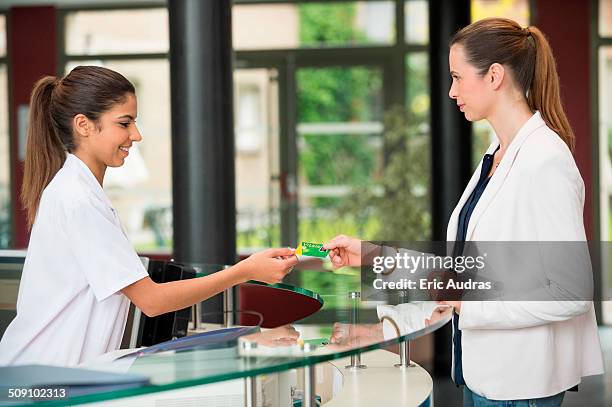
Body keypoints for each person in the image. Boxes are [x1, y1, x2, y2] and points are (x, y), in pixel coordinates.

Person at [323, 18, 603, 406]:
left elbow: (570, 292)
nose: (452, 91)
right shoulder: (496, 157)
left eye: (457, 76)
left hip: (517, 389)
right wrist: (371, 256)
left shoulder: (544, 161)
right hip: (480, 379)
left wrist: (472, 305)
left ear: (494, 76)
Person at [0, 66, 297, 367]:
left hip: (50, 375)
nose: (136, 135)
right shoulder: (77, 198)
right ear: (84, 125)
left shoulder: (79, 191)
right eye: (124, 123)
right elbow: (152, 301)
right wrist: (244, 271)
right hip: (40, 381)